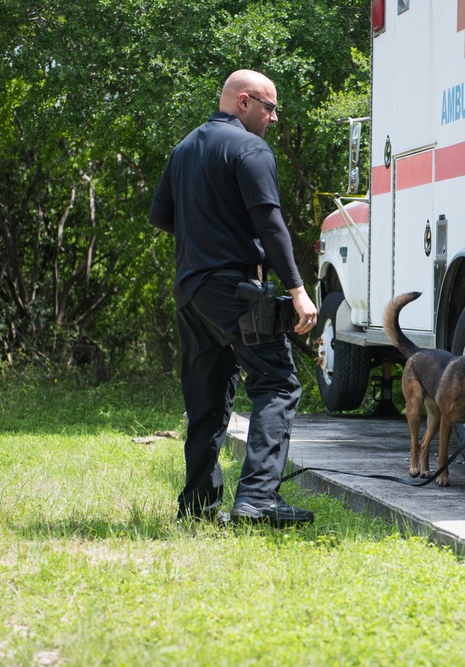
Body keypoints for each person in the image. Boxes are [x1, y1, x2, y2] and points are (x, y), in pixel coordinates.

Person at [149, 69, 318, 527]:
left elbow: (161, 215)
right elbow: (270, 223)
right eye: (269, 107)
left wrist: (206, 239)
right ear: (243, 102)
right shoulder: (249, 148)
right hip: (236, 290)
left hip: (192, 291)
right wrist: (297, 291)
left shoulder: (184, 148)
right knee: (277, 383)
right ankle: (258, 499)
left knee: (206, 399)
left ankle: (199, 509)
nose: (274, 117)